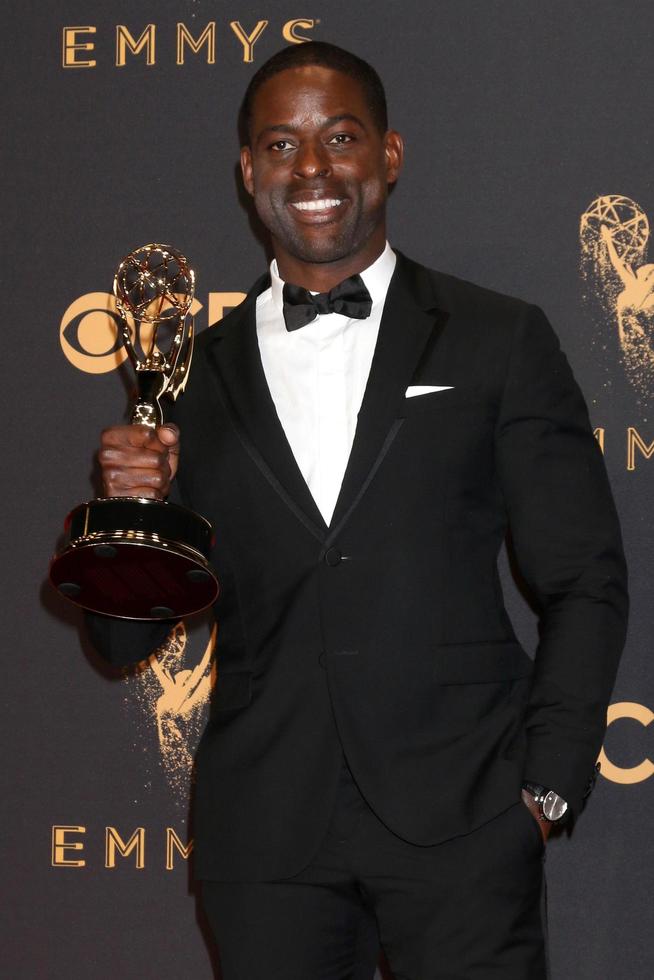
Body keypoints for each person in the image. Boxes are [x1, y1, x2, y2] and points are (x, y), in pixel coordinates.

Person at [86, 41, 628, 979]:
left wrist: (546, 786)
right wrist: (127, 510)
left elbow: (585, 579)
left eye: (340, 137)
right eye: (282, 145)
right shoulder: (190, 378)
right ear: (248, 170)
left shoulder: (498, 337)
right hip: (265, 839)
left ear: (389, 155)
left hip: (466, 822)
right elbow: (123, 645)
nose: (314, 169)